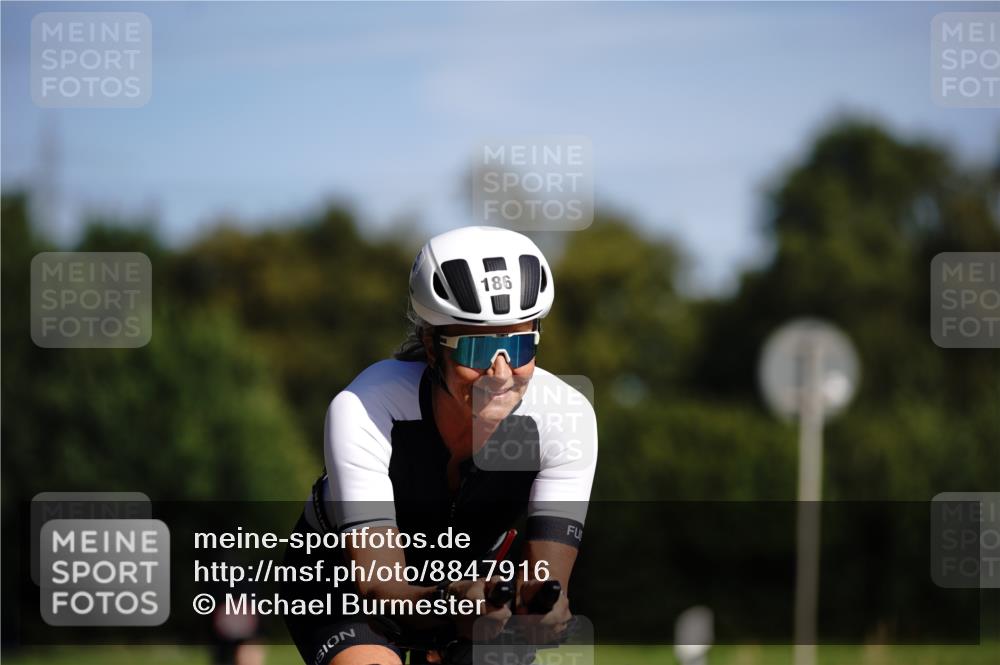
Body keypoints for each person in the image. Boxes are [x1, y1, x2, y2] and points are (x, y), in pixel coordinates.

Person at [281, 226, 597, 665]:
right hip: (345, 580)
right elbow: (379, 589)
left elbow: (545, 581)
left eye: (520, 345)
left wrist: (542, 610)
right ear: (432, 346)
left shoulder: (565, 416)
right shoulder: (365, 406)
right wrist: (451, 602)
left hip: (477, 588)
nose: (501, 373)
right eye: (477, 349)